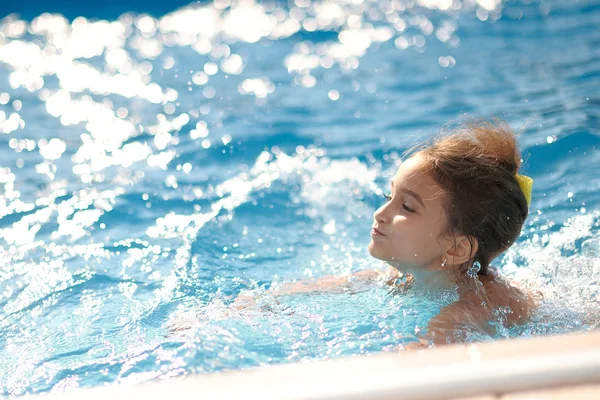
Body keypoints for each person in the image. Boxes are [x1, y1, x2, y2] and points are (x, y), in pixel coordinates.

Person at [232, 119, 537, 347]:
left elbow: (422, 367)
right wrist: (255, 304)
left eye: (406, 207)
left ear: (456, 248)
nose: (381, 213)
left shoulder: (470, 309)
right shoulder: (404, 276)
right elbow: (332, 287)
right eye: (387, 196)